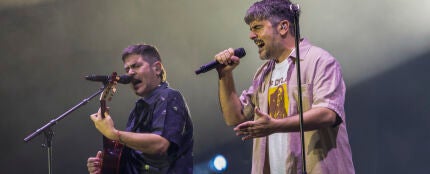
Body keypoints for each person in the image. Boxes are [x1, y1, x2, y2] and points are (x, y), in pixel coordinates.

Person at [214, 0, 354, 173]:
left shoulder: (319, 61)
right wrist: (225, 75)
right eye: (250, 29)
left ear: (283, 27)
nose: (251, 35)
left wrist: (275, 125)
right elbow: (235, 117)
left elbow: (328, 113)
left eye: (257, 27)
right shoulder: (263, 74)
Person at [87, 44, 193, 174]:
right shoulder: (137, 111)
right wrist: (107, 167)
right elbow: (137, 161)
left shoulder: (170, 97)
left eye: (136, 66)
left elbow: (161, 145)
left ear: (157, 68)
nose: (130, 73)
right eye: (127, 69)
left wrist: (115, 134)